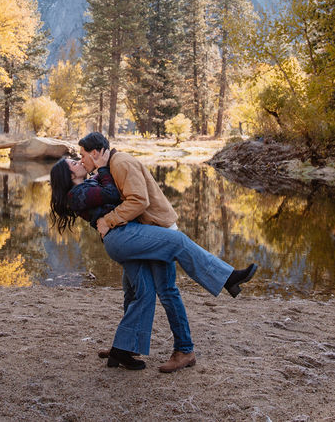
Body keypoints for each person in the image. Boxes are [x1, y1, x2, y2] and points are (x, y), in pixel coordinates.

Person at [49, 132, 257, 372]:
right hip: (125, 236)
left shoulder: (116, 165)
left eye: (81, 156)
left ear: (95, 153)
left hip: (141, 232)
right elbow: (115, 196)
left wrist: (106, 200)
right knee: (175, 250)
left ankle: (126, 348)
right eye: (76, 162)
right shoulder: (79, 191)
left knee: (144, 291)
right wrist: (105, 188)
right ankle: (226, 278)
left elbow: (132, 199)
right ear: (70, 175)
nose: (80, 160)